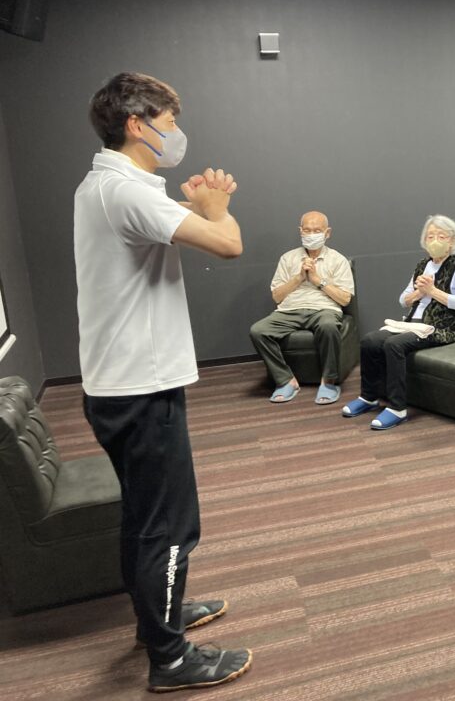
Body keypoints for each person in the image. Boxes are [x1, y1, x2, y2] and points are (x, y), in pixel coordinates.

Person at [75, 72, 252, 691]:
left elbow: (180, 224)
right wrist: (217, 207)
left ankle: (158, 620)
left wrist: (196, 208)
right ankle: (171, 659)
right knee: (171, 527)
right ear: (137, 124)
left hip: (120, 384)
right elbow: (228, 244)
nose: (177, 134)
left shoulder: (107, 185)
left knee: (144, 517)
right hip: (140, 389)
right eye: (170, 123)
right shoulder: (127, 192)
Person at [341, 215, 455, 430]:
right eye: (430, 236)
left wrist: (432, 291)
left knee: (394, 344)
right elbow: (403, 300)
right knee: (370, 340)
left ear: (452, 241)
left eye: (441, 236)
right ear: (424, 241)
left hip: (442, 326)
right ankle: (369, 397)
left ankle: (397, 408)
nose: (435, 241)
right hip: (413, 323)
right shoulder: (423, 265)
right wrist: (419, 292)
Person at [249, 211, 355, 404]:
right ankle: (285, 380)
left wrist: (317, 280)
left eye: (317, 230)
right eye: (307, 230)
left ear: (327, 233)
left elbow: (345, 299)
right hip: (290, 310)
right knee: (258, 331)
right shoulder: (287, 258)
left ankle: (329, 382)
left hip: (324, 309)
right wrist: (298, 278)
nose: (311, 234)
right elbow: (277, 296)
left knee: (328, 326)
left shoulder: (338, 260)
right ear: (300, 231)